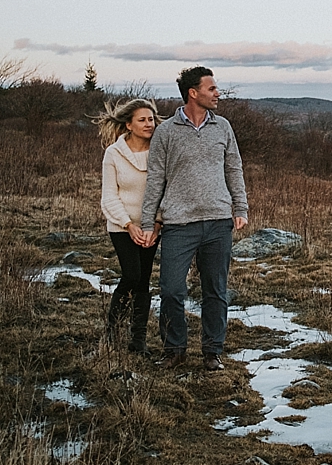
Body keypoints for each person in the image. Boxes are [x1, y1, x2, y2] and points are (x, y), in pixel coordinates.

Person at [141, 66, 248, 371]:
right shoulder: (166, 131)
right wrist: (149, 222)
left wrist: (240, 208)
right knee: (172, 290)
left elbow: (234, 169)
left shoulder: (223, 127)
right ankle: (174, 350)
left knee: (215, 291)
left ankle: (212, 352)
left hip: (218, 222)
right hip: (179, 224)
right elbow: (156, 178)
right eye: (212, 88)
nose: (217, 93)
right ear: (193, 92)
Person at [95, 98, 163, 356]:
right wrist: (128, 225)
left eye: (151, 119)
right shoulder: (113, 154)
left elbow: (164, 191)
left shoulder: (160, 150)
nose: (149, 124)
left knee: (144, 282)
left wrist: (156, 225)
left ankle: (138, 341)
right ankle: (112, 332)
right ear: (128, 125)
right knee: (131, 275)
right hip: (122, 226)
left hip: (151, 227)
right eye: (142, 120)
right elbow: (109, 196)